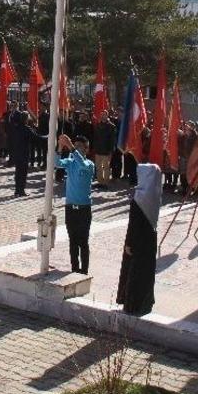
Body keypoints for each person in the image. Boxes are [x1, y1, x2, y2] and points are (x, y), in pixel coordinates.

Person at [117, 163, 163, 315]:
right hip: (150, 239)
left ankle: (132, 304)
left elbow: (134, 224)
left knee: (134, 272)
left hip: (137, 240)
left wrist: (129, 243)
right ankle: (145, 303)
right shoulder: (155, 194)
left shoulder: (139, 198)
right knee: (146, 273)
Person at [56, 134, 96, 274]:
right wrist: (60, 147)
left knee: (83, 241)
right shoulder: (70, 162)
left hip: (84, 209)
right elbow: (56, 163)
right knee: (72, 240)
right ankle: (74, 268)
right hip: (70, 208)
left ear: (86, 149)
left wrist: (71, 147)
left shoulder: (89, 165)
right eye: (75, 145)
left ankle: (84, 271)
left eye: (80, 146)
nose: (76, 149)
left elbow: (82, 163)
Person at [92, 111, 116, 190]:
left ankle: (106, 183)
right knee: (98, 167)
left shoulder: (111, 126)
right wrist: (94, 147)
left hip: (106, 150)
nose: (102, 116)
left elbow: (113, 140)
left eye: (104, 115)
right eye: (101, 115)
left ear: (107, 116)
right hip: (98, 149)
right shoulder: (97, 125)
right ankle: (100, 182)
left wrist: (111, 150)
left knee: (106, 167)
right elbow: (95, 137)